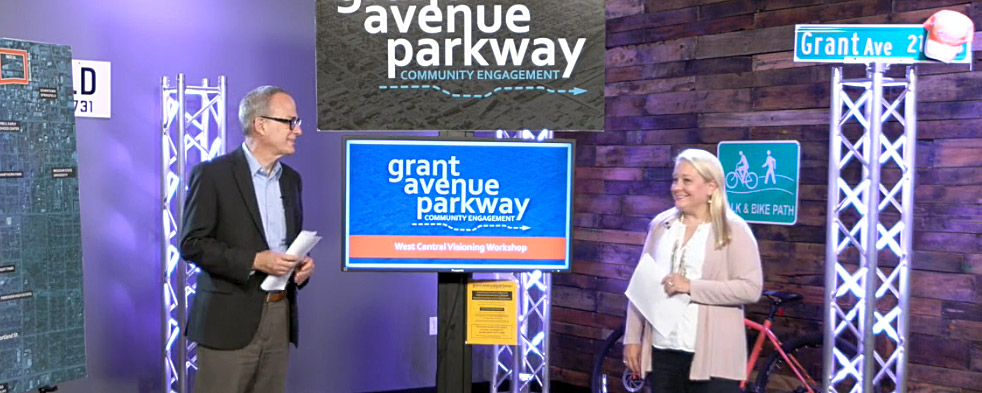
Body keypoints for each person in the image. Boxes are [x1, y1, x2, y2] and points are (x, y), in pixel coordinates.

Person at [180, 85, 316, 393]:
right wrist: (254, 261)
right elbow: (192, 244)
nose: (299, 130)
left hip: (279, 315)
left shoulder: (292, 180)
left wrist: (300, 267)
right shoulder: (213, 175)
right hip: (228, 322)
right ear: (261, 124)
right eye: (291, 121)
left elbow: (287, 245)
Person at [623, 148, 762, 393]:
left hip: (713, 355)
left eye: (687, 180)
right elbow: (641, 286)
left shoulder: (733, 229)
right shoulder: (661, 226)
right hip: (663, 349)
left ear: (711, 187)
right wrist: (632, 338)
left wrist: (691, 286)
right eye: (675, 179)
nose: (677, 187)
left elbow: (751, 288)